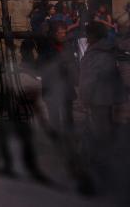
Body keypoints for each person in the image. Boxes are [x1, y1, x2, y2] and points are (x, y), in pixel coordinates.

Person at [79, 21, 125, 162]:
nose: (86, 38)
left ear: (92, 35)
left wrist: (84, 98)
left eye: (88, 35)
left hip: (98, 97)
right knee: (107, 125)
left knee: (100, 128)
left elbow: (89, 79)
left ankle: (105, 157)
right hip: (110, 95)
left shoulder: (95, 53)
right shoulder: (109, 48)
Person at [37, 21, 78, 133]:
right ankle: (55, 136)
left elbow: (72, 62)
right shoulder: (46, 48)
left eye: (64, 33)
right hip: (52, 86)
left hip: (66, 85)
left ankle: (70, 135)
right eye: (60, 33)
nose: (63, 35)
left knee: (68, 114)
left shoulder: (67, 45)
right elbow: (41, 66)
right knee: (54, 114)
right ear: (54, 34)